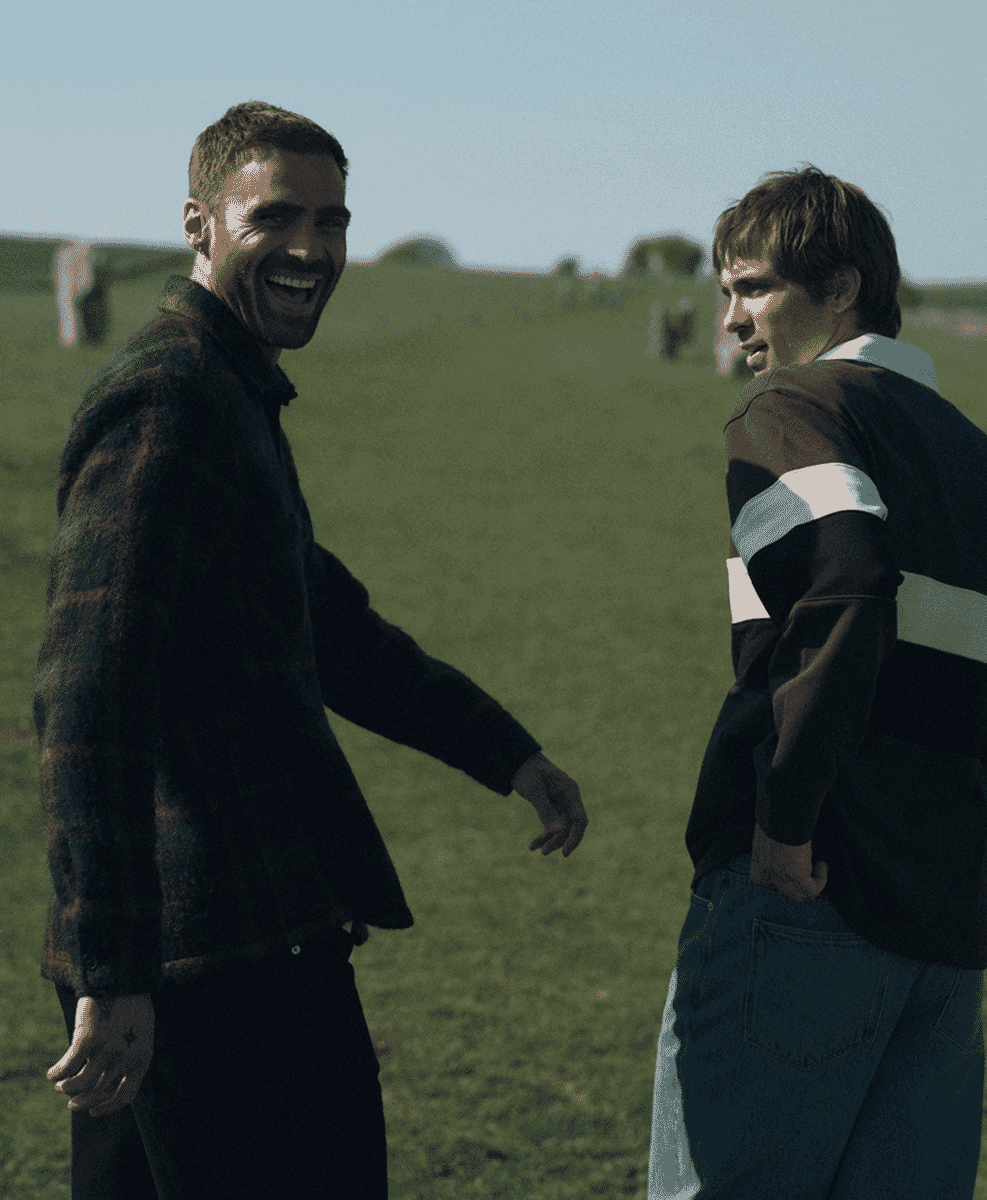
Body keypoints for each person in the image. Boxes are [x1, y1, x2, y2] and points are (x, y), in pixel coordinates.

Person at [36, 101, 588, 1200]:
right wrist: (115, 967)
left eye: (330, 221)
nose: (309, 247)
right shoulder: (170, 400)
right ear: (198, 224)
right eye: (274, 217)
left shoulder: (229, 390)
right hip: (210, 955)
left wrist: (506, 754)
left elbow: (329, 627)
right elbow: (90, 692)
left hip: (232, 934)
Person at [647, 165, 987, 1199]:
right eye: (723, 292)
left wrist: (784, 817)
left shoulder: (793, 403)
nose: (731, 319)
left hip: (808, 893)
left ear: (839, 288)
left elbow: (844, 581)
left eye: (752, 287)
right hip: (948, 925)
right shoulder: (971, 450)